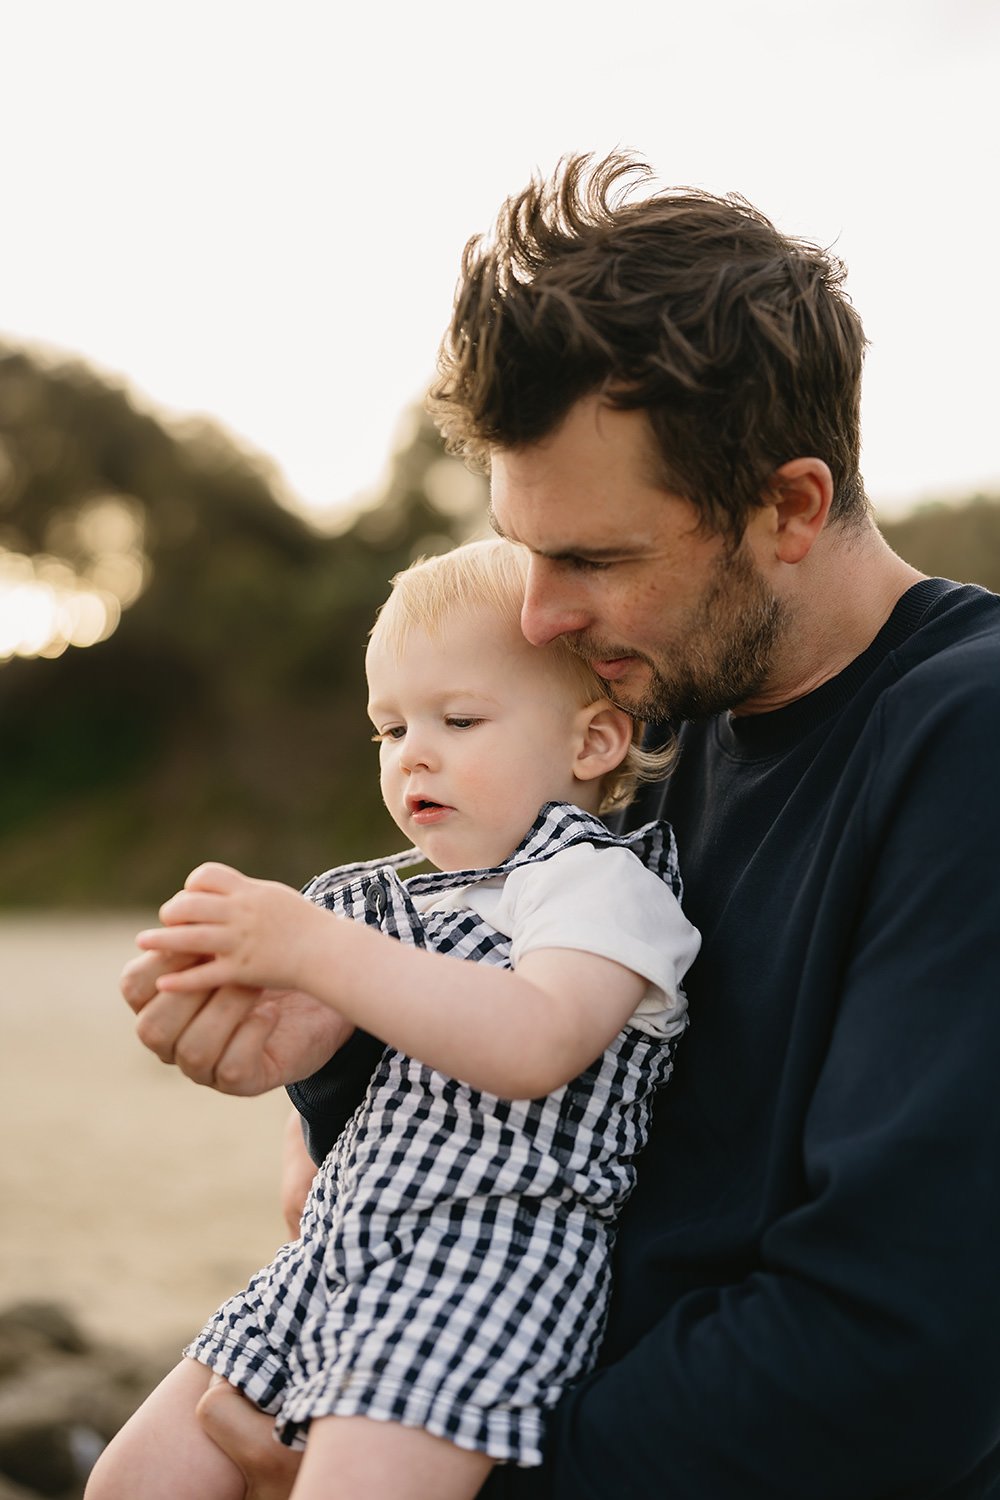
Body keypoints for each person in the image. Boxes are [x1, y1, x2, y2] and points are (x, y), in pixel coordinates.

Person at [119, 152, 1000, 1499]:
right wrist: (328, 1058)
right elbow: (590, 1127)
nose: (538, 620)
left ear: (791, 507)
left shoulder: (967, 739)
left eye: (591, 560)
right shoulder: (649, 722)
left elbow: (896, 1350)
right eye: (526, 552)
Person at [88, 537, 699, 1500]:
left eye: (458, 718)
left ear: (592, 743)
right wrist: (275, 1082)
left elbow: (537, 1039)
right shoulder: (396, 897)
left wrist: (319, 952)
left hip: (483, 1264)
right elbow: (343, 1070)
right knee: (134, 1478)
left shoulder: (597, 883)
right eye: (388, 728)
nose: (413, 751)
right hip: (335, 1249)